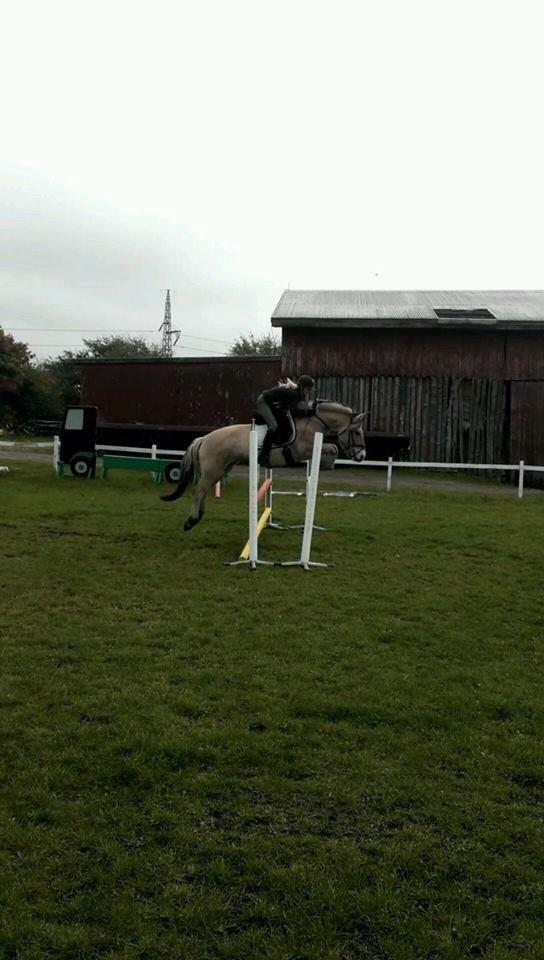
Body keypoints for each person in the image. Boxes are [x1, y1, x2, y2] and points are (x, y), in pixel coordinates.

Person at [254, 375, 315, 466]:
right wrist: (308, 413)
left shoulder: (297, 394)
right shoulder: (294, 394)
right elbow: (294, 412)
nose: (309, 392)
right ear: (302, 387)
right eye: (308, 389)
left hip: (271, 403)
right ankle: (263, 456)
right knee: (273, 426)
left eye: (310, 390)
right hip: (263, 401)